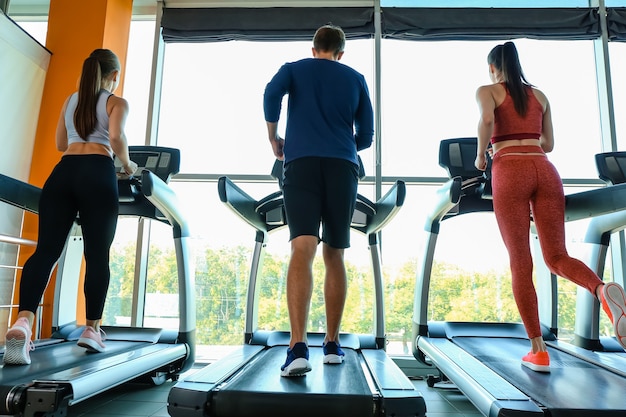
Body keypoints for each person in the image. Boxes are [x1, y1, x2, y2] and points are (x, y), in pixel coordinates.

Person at [474, 41, 626, 372]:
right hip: (545, 169)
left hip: (509, 167)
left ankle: (537, 350)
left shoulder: (487, 90)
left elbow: (487, 119)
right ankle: (600, 289)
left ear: (491, 68)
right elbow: (549, 144)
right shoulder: (539, 96)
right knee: (556, 257)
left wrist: (479, 156)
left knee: (520, 262)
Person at [3, 49, 138, 366]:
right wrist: (129, 165)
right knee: (97, 254)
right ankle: (92, 330)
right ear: (114, 76)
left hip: (62, 174)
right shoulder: (117, 103)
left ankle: (23, 321)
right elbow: (115, 137)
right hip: (98, 172)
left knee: (46, 251)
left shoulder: (70, 100)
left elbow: (61, 144)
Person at [263, 24, 374, 377]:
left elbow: (270, 94)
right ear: (340, 53)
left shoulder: (293, 69)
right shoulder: (355, 77)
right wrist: (340, 145)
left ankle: (297, 347)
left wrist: (274, 138)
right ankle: (331, 343)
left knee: (302, 248)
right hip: (342, 166)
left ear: (314, 49)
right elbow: (367, 135)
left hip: (300, 163)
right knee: (334, 253)